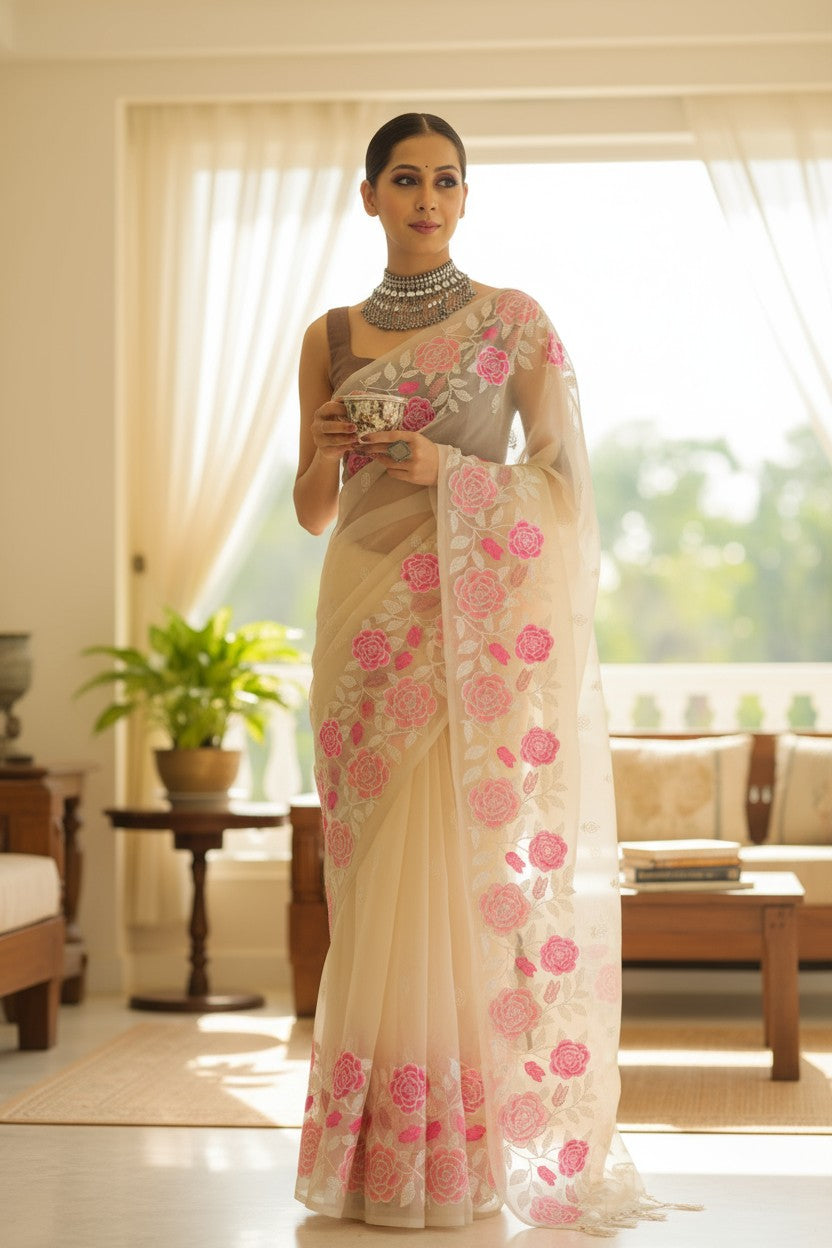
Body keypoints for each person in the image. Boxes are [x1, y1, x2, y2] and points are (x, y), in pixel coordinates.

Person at [293, 112, 655, 1233]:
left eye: (446, 181)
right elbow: (311, 512)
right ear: (368, 196)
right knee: (371, 884)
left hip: (461, 631)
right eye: (405, 180)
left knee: (447, 872)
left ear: (464, 195)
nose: (427, 199)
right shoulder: (330, 334)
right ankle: (373, 1160)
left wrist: (444, 467)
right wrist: (330, 452)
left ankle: (453, 1160)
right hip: (359, 626)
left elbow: (563, 490)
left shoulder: (512, 322)